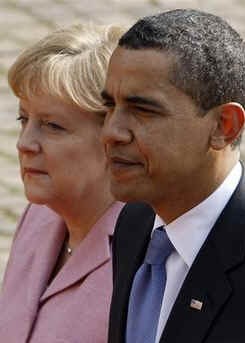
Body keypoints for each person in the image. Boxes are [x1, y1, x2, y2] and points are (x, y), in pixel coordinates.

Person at [101, 9, 245, 343]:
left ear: (223, 126)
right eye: (109, 106)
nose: (111, 131)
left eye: (143, 110)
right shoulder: (134, 224)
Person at [0, 23, 125, 343]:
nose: (25, 143)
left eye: (52, 126)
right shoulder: (40, 213)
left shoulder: (143, 259)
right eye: (23, 119)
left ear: (111, 138)